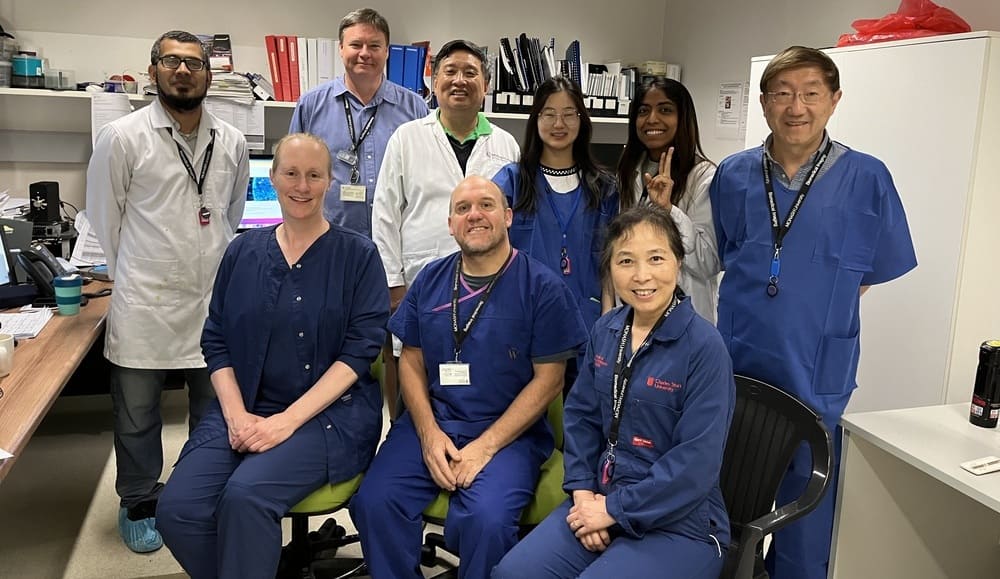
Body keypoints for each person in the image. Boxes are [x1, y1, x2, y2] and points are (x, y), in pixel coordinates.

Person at [710, 46, 917, 579]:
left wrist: (817, 305)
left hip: (816, 371)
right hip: (740, 361)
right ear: (763, 103)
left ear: (834, 101)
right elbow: (731, 252)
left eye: (810, 94)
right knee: (732, 500)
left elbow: (870, 271)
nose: (795, 107)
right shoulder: (733, 175)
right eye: (781, 94)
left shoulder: (867, 178)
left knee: (806, 507)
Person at [155, 133, 389, 579]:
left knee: (246, 496)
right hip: (245, 407)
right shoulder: (242, 251)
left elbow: (360, 352)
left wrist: (286, 422)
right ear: (273, 179)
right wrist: (237, 416)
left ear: (329, 181)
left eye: (314, 175)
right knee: (178, 508)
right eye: (291, 173)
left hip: (329, 418)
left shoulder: (358, 255)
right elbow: (216, 340)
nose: (302, 185)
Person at [352, 176, 588, 579]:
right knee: (374, 502)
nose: (474, 215)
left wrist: (484, 447)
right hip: (435, 420)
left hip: (509, 432)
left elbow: (549, 380)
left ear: (508, 216)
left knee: (486, 520)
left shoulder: (542, 288)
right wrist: (428, 434)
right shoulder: (430, 279)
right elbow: (410, 360)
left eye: (486, 205)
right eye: (463, 208)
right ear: (450, 224)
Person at [493, 205, 734, 579]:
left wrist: (613, 510)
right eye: (625, 261)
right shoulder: (607, 330)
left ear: (678, 261)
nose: (642, 276)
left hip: (681, 522)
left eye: (656, 258)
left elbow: (695, 465)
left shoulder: (704, 347)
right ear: (610, 269)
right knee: (512, 573)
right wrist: (584, 494)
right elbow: (581, 418)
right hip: (601, 496)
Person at [86, 29, 250, 554]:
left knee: (212, 410)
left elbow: (231, 216)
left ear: (209, 74)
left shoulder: (232, 140)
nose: (183, 71)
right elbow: (106, 223)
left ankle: (194, 494)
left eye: (194, 63)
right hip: (145, 302)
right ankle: (138, 498)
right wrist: (139, 272)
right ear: (153, 70)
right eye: (171, 61)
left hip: (211, 302)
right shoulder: (123, 136)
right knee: (137, 414)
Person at [371, 39, 519, 417]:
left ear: (485, 86)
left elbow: (511, 219)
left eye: (471, 73)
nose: (460, 80)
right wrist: (393, 283)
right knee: (417, 380)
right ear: (433, 83)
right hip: (419, 282)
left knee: (481, 380)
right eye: (450, 72)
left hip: (489, 288)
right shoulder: (407, 137)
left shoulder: (506, 144)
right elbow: (386, 211)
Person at [493, 76, 619, 338]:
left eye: (568, 114)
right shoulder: (512, 181)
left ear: (581, 119)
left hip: (587, 322)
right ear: (535, 119)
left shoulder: (603, 187)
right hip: (525, 321)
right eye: (548, 114)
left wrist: (608, 319)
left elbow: (610, 261)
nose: (559, 123)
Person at [289, 7, 428, 238]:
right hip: (327, 241)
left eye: (374, 46)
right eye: (356, 45)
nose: (365, 53)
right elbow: (292, 175)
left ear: (386, 52)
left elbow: (426, 176)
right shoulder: (311, 105)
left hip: (397, 241)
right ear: (341, 49)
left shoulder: (415, 108)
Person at [617, 77, 720, 323]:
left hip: (685, 317)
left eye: (665, 110)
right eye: (643, 111)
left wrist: (669, 210)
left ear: (682, 118)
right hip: (636, 310)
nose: (652, 119)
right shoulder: (630, 171)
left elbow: (709, 262)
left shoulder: (704, 176)